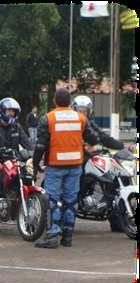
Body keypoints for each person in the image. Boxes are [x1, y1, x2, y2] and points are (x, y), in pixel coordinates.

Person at [32, 88, 99, 248]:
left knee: (53, 200)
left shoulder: (48, 118)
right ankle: (67, 236)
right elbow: (94, 138)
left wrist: (35, 164)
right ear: (70, 102)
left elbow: (41, 145)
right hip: (75, 165)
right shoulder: (80, 118)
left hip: (55, 165)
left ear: (55, 101)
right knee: (70, 200)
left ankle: (53, 235)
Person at [71, 95, 135, 232]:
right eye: (79, 110)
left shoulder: (90, 123)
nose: (82, 113)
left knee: (112, 179)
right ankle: (78, 203)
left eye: (85, 110)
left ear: (89, 111)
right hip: (77, 158)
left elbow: (103, 137)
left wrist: (122, 146)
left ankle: (117, 220)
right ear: (74, 110)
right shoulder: (72, 124)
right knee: (81, 179)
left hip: (91, 156)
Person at [0, 97, 34, 214]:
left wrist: (35, 155)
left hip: (13, 160)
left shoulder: (16, 127)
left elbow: (27, 142)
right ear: (2, 111)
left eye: (13, 111)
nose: (11, 113)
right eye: (9, 111)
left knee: (27, 171)